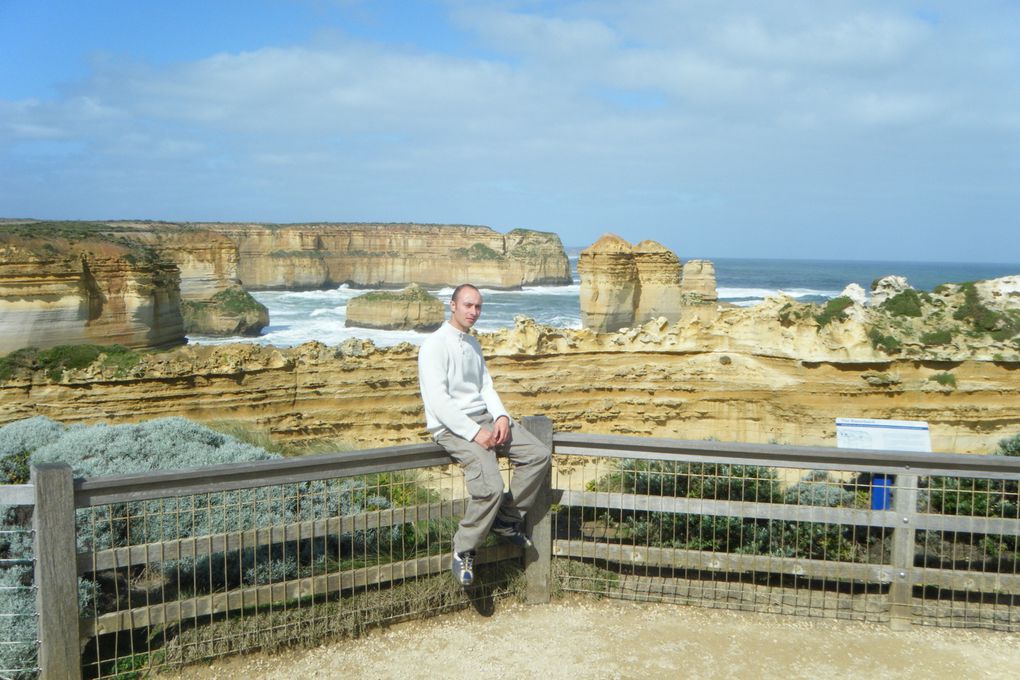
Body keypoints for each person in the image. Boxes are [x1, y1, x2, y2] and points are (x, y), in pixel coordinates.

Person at [417, 283, 552, 586]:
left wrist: (501, 416)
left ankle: (505, 520)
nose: (474, 312)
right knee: (490, 487)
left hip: (485, 419)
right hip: (451, 427)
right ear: (452, 306)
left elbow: (485, 387)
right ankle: (463, 550)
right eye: (468, 305)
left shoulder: (473, 344)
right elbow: (439, 403)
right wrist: (476, 432)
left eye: (478, 306)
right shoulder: (434, 345)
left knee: (537, 455)